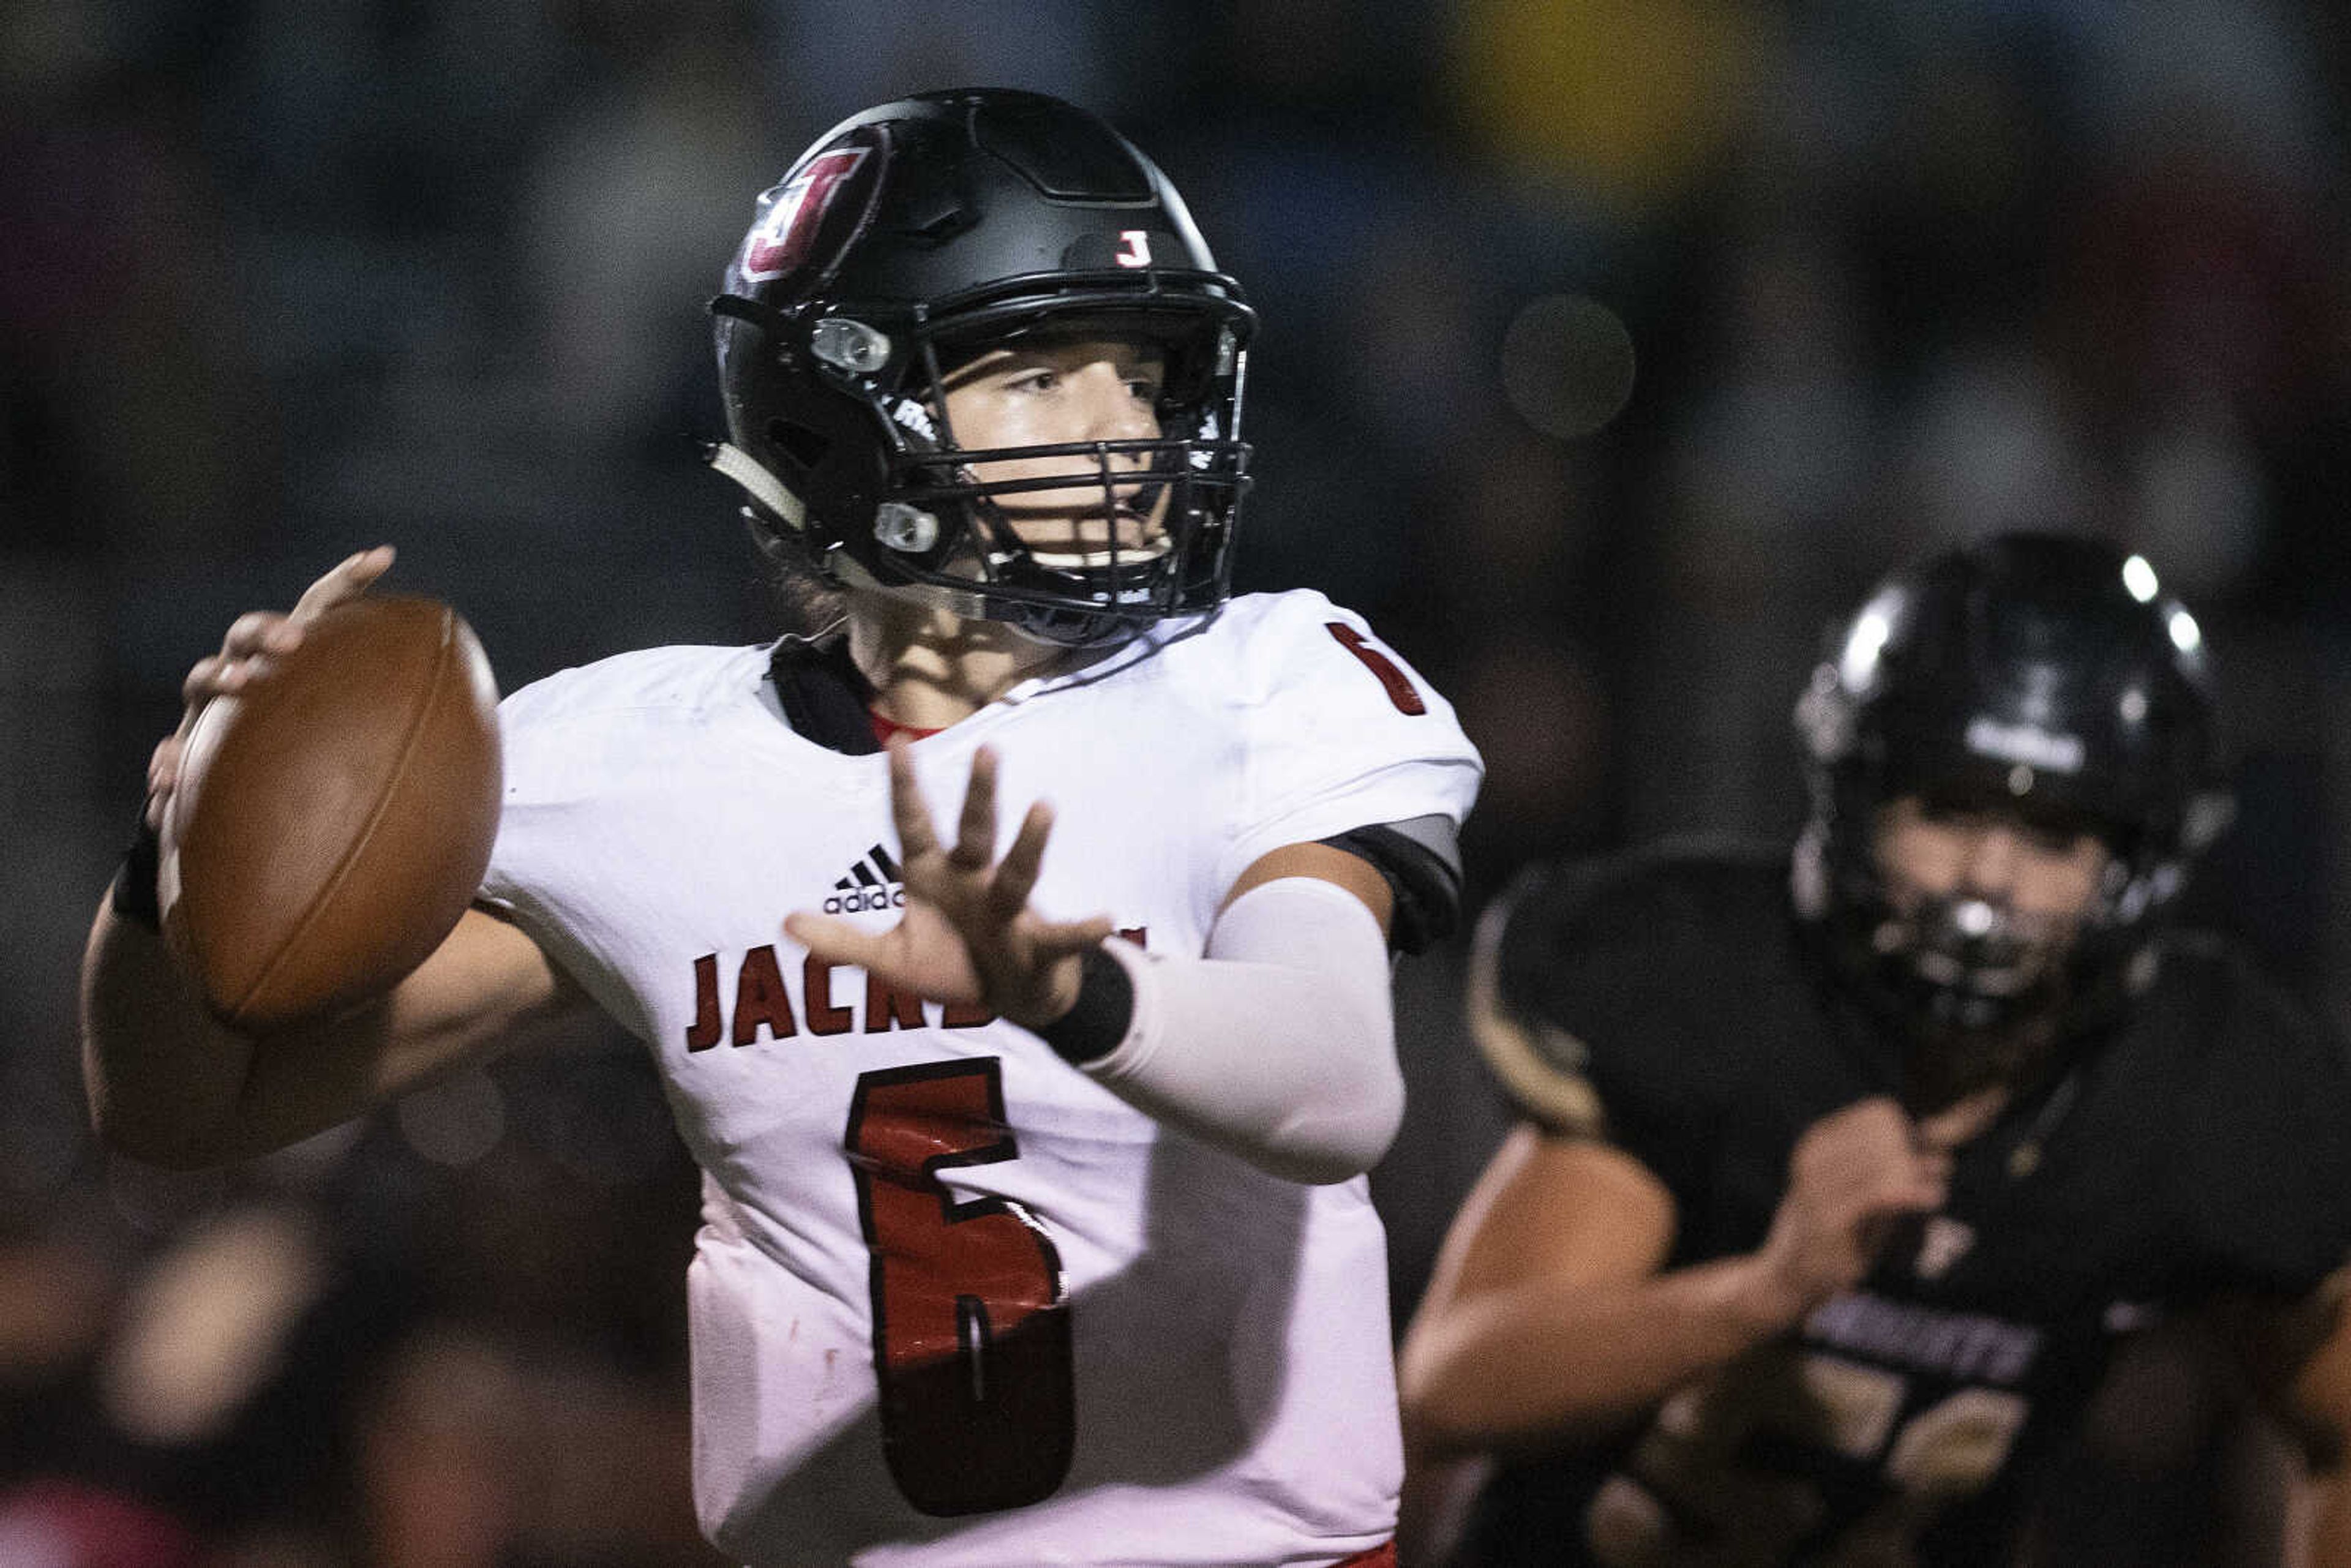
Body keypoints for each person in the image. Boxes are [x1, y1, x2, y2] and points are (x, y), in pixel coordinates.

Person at [82, 88, 1482, 1566]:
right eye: (1040, 377)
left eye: (1140, 375)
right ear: (838, 417)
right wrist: (180, 855)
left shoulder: (1269, 677)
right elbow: (185, 1109)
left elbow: (1334, 1086)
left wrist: (1067, 990)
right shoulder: (638, 768)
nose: (1124, 429)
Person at [1397, 533, 2351, 1567]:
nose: (1988, 878)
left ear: (2137, 860)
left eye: (2053, 835)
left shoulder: (2198, 1075)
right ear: (1861, 795)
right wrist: (1768, 1287)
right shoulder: (1713, 982)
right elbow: (1449, 1386)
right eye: (1948, 809)